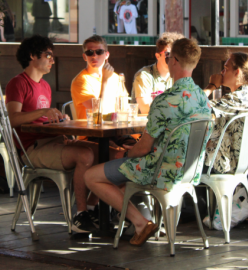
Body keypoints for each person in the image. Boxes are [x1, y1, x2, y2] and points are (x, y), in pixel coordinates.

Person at [85, 38, 213, 246]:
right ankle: (135, 220)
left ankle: (140, 222)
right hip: (190, 171)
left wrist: (126, 154)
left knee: (91, 176)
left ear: (174, 61)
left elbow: (143, 148)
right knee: (120, 173)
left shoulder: (164, 101)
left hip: (157, 171)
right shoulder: (203, 99)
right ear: (195, 63)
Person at [6, 35, 121, 233]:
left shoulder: (45, 86)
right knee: (85, 154)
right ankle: (81, 216)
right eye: (48, 55)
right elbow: (13, 119)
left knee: (117, 154)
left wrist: (62, 121)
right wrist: (43, 112)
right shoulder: (18, 84)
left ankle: (96, 208)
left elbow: (44, 120)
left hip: (57, 142)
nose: (52, 60)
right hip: (33, 149)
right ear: (33, 56)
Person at [202, 52, 248, 173]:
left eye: (226, 68)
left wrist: (212, 86)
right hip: (241, 166)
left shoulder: (233, 100)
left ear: (237, 72)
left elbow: (193, 106)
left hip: (221, 167)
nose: (222, 72)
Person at [70, 35, 135, 146]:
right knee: (116, 150)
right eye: (90, 52)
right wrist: (105, 81)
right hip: (91, 134)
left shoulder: (115, 78)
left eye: (99, 52)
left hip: (115, 131)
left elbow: (124, 108)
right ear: (85, 56)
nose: (94, 55)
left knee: (138, 147)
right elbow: (98, 112)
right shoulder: (80, 81)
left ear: (106, 55)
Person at [131, 32, 184, 114]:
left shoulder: (178, 76)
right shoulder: (144, 75)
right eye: (168, 54)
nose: (173, 59)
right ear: (157, 56)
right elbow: (145, 109)